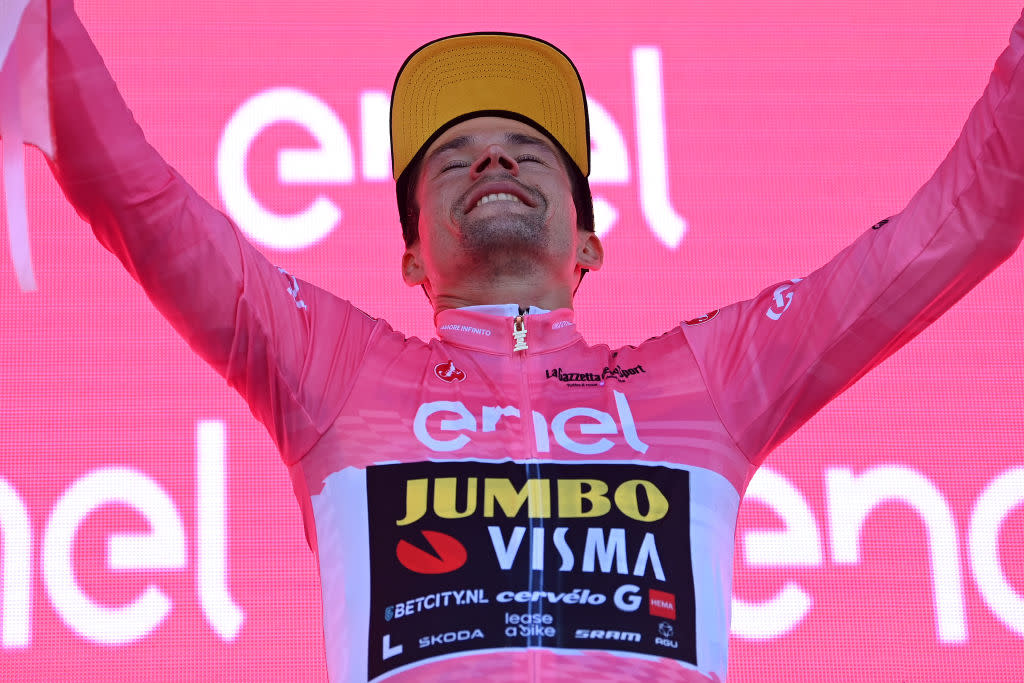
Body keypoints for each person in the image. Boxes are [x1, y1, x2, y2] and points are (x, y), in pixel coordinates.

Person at [40, 1, 1024, 681]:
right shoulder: (333, 371)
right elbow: (141, 198)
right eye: (453, 158)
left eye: (529, 152)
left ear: (587, 241)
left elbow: (944, 231)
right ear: (412, 257)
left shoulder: (704, 380)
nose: (495, 158)